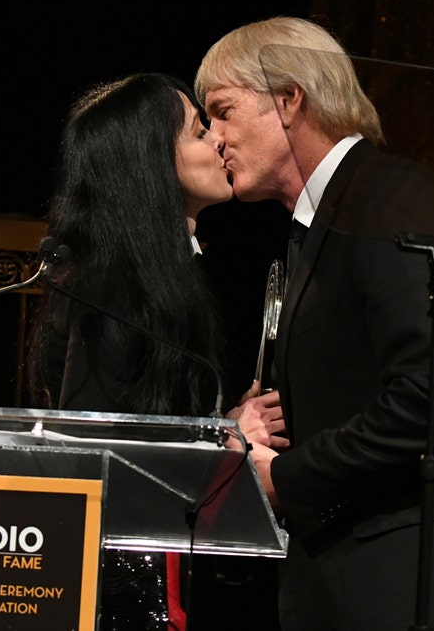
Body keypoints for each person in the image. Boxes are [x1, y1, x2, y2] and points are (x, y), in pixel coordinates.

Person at [196, 17, 434, 630]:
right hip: (350, 587)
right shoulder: (320, 229)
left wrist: (286, 477)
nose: (214, 136)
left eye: (223, 110)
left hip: (413, 592)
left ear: (288, 99)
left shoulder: (392, 198)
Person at [26, 72, 285, 630]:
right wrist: (229, 447)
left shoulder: (162, 278)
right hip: (116, 592)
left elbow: (146, 427)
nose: (218, 138)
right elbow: (97, 449)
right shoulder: (112, 290)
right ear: (149, 166)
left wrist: (224, 427)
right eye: (197, 130)